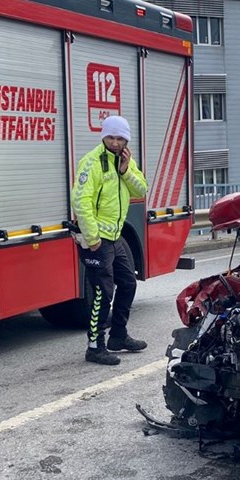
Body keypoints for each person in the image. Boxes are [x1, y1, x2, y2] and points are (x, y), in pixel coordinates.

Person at [72, 115, 149, 365]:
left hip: (115, 237)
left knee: (128, 284)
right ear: (103, 136)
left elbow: (141, 189)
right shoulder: (92, 162)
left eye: (120, 138)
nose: (115, 142)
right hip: (98, 240)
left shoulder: (125, 160)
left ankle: (118, 336)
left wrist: (126, 171)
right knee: (102, 293)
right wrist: (92, 238)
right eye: (111, 137)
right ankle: (95, 347)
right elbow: (80, 202)